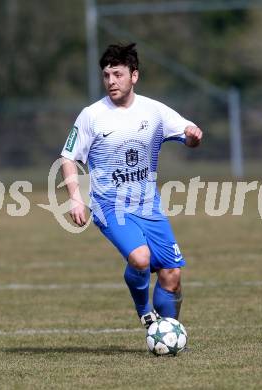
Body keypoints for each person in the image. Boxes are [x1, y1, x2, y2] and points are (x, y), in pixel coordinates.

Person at [61, 43, 203, 329]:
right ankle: (145, 311)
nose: (111, 81)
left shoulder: (154, 111)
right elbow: (67, 157)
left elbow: (188, 134)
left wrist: (193, 136)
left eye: (117, 74)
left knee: (171, 275)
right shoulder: (92, 115)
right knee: (140, 258)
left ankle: (167, 333)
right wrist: (76, 198)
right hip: (109, 205)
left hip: (148, 206)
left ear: (134, 76)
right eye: (106, 75)